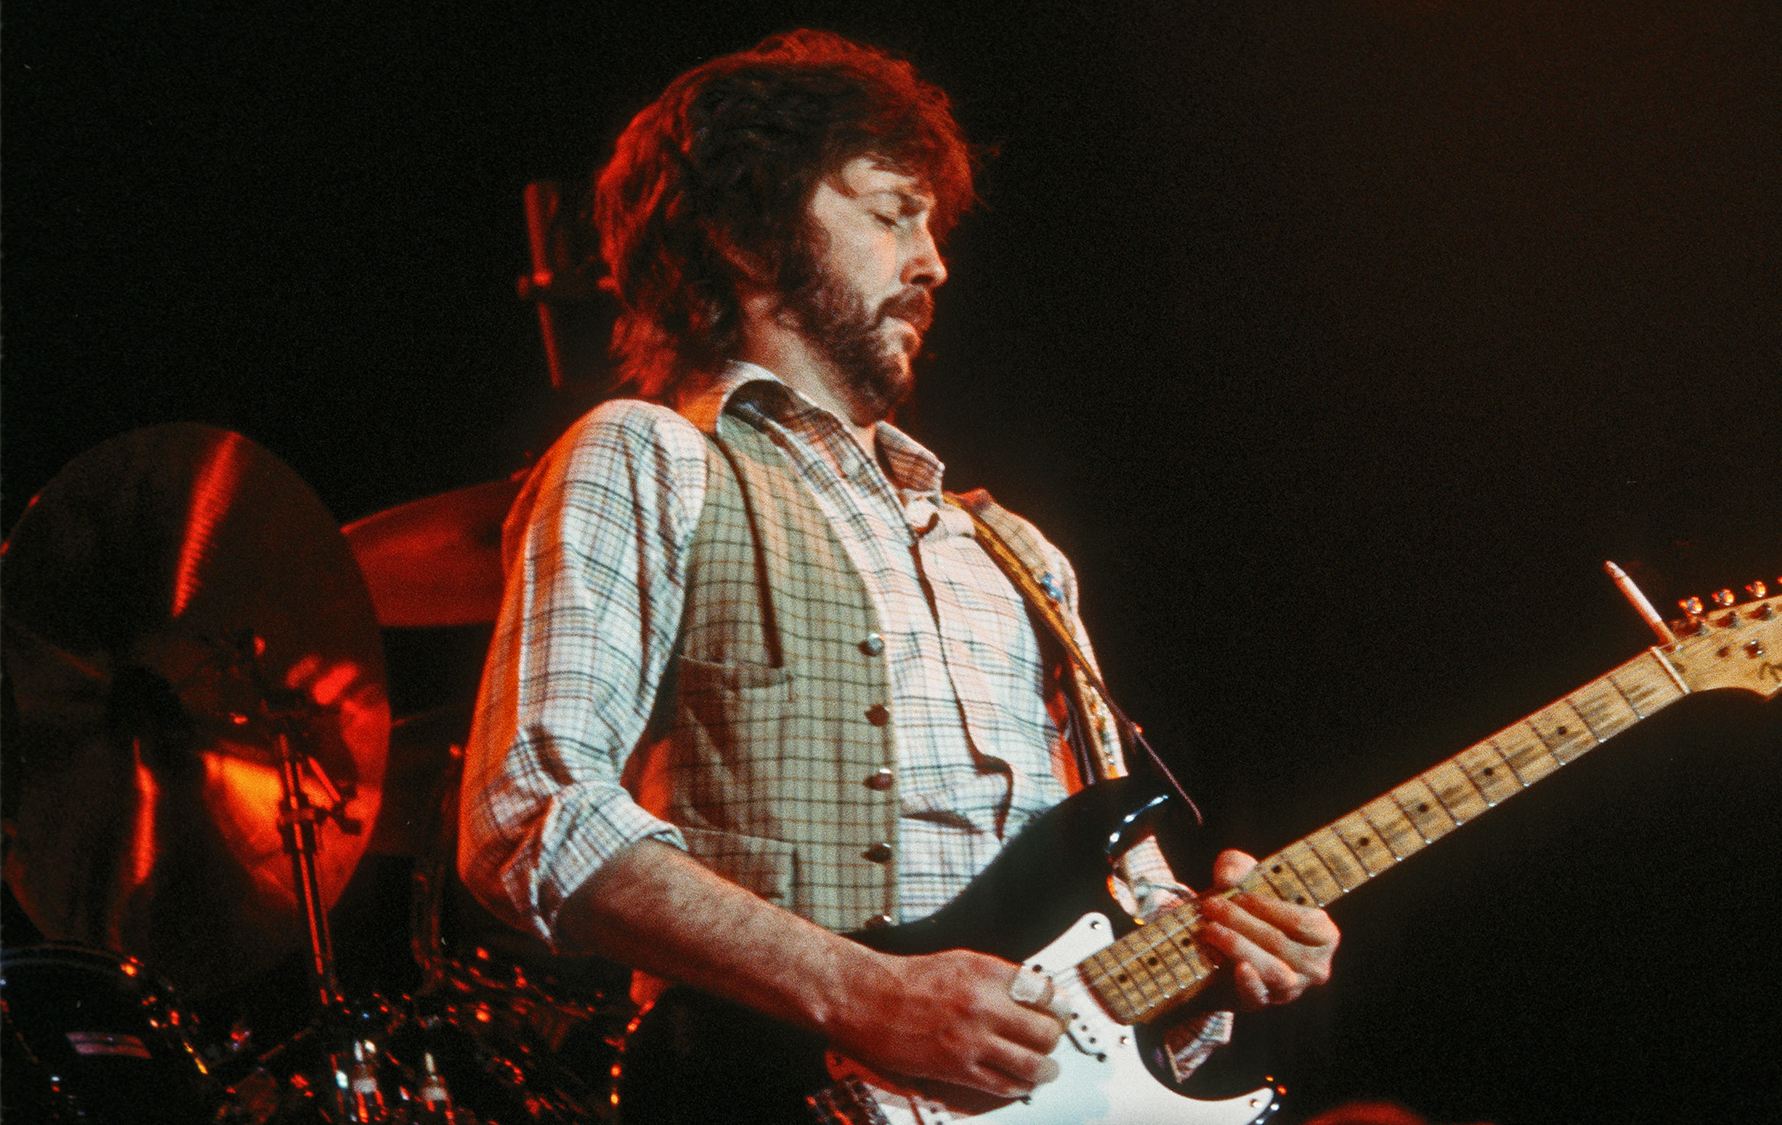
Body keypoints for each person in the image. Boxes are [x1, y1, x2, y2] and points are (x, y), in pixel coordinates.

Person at [456, 28, 1338, 1112]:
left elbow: (1122, 931)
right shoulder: (648, 455)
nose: (932, 263)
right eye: (887, 215)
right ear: (742, 233)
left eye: (929, 227)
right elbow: (528, 813)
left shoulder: (1016, 554)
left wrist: (1217, 968)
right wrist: (862, 995)